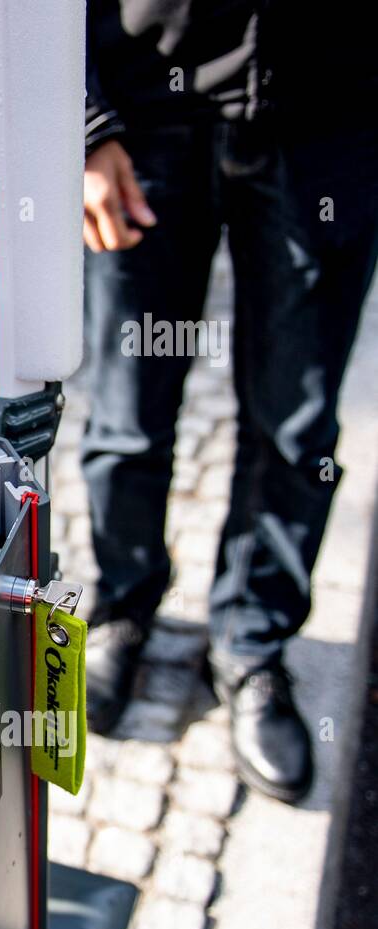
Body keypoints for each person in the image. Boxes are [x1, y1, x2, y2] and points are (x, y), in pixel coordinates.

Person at [79, 0, 376, 804]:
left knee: (296, 427)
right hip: (143, 112)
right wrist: (83, 120)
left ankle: (251, 645)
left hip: (331, 120)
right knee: (128, 415)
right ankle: (121, 609)